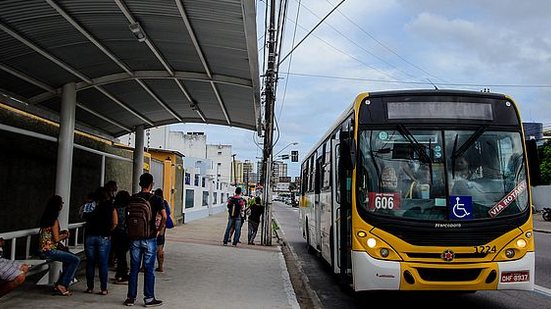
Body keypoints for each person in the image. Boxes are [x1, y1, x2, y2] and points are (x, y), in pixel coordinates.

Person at [124, 173, 166, 307]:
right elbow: (164, 216)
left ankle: (130, 298)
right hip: (150, 238)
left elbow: (127, 216)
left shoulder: (132, 198)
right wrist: (158, 230)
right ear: (151, 184)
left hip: (134, 238)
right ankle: (149, 298)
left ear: (140, 183)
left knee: (134, 268)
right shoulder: (156, 199)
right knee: (149, 269)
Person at [38, 195, 81, 296]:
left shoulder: (46, 218)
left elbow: (50, 234)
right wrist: (65, 235)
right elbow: (56, 239)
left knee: (69, 258)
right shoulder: (54, 220)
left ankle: (60, 283)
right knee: (75, 259)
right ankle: (62, 284)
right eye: (61, 203)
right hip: (49, 250)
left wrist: (61, 232)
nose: (62, 205)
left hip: (43, 249)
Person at [83, 186, 117, 295]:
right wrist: (108, 230)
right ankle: (103, 288)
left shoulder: (90, 206)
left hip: (90, 236)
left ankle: (90, 287)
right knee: (103, 263)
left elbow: (84, 216)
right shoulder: (110, 206)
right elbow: (115, 222)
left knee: (90, 262)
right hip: (104, 237)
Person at [112, 190, 131, 284]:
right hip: (126, 234)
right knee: (122, 255)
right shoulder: (128, 209)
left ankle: (120, 274)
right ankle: (122, 274)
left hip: (116, 233)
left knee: (119, 255)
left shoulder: (115, 208)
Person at [153, 188, 170, 273]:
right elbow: (167, 213)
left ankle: (144, 266)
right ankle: (160, 266)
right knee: (160, 247)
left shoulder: (152, 201)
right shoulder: (165, 203)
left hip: (152, 227)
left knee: (149, 248)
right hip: (162, 227)